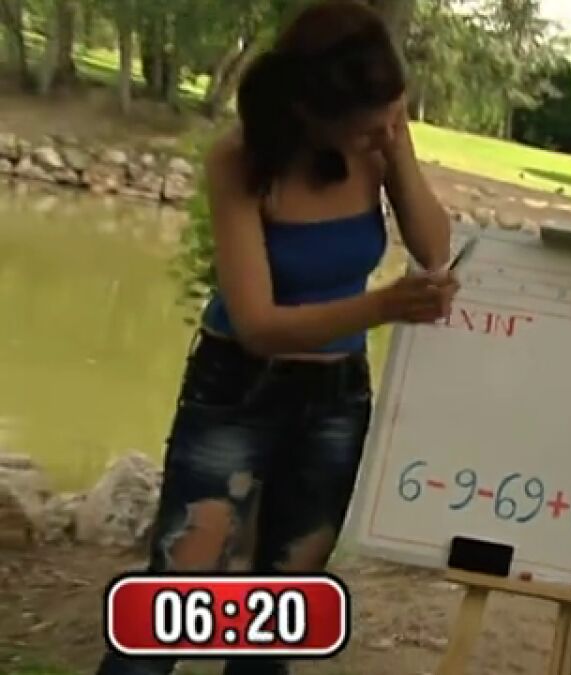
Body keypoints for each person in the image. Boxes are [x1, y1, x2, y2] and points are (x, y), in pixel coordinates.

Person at [95, 2, 458, 674]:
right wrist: (381, 306)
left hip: (336, 395)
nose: (383, 131)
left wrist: (397, 149)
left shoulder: (376, 144)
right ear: (309, 112)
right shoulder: (240, 159)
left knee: (282, 605)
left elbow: (434, 248)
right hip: (238, 386)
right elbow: (257, 323)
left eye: (392, 114)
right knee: (178, 592)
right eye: (369, 125)